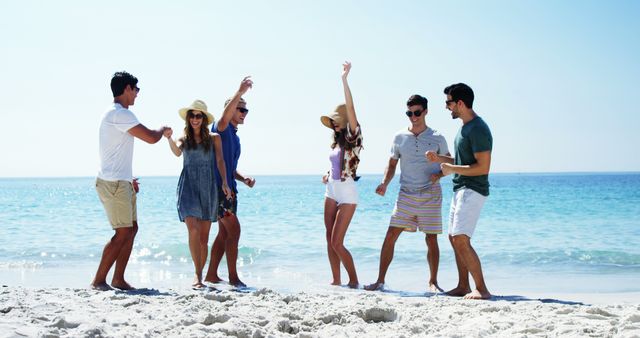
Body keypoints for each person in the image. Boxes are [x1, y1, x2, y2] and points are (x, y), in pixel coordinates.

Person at [92, 71, 170, 291]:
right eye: (136, 89)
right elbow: (151, 138)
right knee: (123, 232)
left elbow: (117, 151)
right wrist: (163, 129)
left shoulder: (116, 114)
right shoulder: (120, 114)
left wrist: (128, 179)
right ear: (127, 89)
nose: (137, 94)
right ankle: (98, 280)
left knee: (132, 229)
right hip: (114, 183)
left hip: (121, 181)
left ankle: (118, 279)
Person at [365, 94, 450, 293]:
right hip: (406, 193)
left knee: (431, 238)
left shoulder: (438, 137)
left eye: (417, 112)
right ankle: (379, 281)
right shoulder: (399, 137)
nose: (413, 116)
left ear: (426, 111)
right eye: (409, 113)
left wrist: (438, 174)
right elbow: (392, 163)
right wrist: (385, 183)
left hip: (430, 193)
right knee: (391, 235)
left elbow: (449, 162)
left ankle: (433, 282)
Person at [426, 83, 493, 300]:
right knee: (453, 237)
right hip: (461, 188)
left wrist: (451, 169)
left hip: (473, 189)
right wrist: (441, 160)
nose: (447, 107)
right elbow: (463, 161)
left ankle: (481, 289)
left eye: (449, 102)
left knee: (461, 239)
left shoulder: (479, 129)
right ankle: (463, 285)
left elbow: (483, 167)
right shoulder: (464, 128)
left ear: (460, 103)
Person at [163, 100, 232, 288]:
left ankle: (201, 276)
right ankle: (197, 274)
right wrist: (168, 138)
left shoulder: (214, 138)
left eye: (198, 116)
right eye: (192, 115)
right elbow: (177, 152)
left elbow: (220, 161)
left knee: (203, 238)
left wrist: (225, 182)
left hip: (208, 186)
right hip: (188, 187)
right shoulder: (184, 138)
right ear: (188, 118)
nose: (195, 119)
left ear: (204, 118)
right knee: (192, 229)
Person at [204, 76, 255, 287]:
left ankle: (212, 275)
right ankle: (234, 278)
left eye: (246, 110)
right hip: (218, 189)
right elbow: (223, 119)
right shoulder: (221, 128)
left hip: (230, 190)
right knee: (234, 231)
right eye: (240, 109)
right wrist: (240, 92)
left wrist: (244, 179)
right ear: (230, 109)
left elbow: (230, 167)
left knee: (224, 233)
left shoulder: (235, 136)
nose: (244, 114)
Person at [320, 61, 363, 288]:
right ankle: (336, 280)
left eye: (337, 119)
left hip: (347, 192)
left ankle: (354, 280)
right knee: (328, 238)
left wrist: (344, 79)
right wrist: (327, 174)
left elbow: (352, 109)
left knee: (337, 242)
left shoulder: (354, 137)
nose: (333, 123)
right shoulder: (335, 141)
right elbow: (336, 163)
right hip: (331, 190)